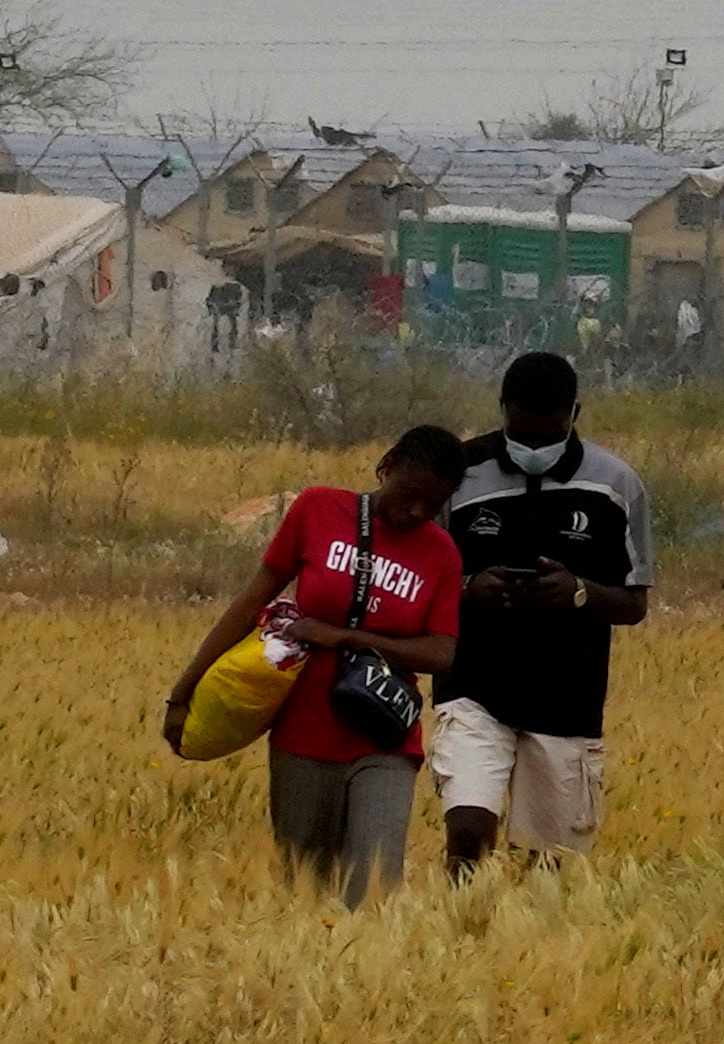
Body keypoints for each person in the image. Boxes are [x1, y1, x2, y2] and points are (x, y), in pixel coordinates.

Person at [163, 426, 468, 904]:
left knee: (373, 894)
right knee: (304, 893)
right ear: (387, 467)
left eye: (434, 505)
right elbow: (248, 604)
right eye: (410, 496)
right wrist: (184, 692)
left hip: (385, 740)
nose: (418, 513)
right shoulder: (318, 508)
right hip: (302, 737)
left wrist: (344, 636)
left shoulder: (442, 553)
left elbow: (441, 653)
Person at [431, 350, 654, 874]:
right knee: (466, 834)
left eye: (546, 432)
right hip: (473, 684)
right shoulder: (460, 474)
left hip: (568, 697)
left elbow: (635, 603)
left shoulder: (617, 485)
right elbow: (423, 579)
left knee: (547, 868)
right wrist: (470, 588)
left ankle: (525, 949)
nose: (531, 444)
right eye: (520, 428)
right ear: (503, 409)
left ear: (573, 415)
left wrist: (578, 592)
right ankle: (454, 936)